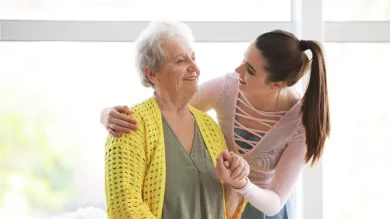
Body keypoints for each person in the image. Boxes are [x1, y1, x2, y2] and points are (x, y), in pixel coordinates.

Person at [102, 25, 330, 219]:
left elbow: (274, 201)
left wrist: (241, 183)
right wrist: (107, 114)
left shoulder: (301, 123)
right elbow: (170, 102)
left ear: (277, 85)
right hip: (227, 197)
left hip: (260, 209)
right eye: (244, 59)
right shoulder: (227, 87)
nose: (237, 70)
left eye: (250, 70)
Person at [104, 20, 249, 219]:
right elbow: (124, 208)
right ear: (152, 73)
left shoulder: (209, 126)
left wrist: (236, 181)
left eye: (193, 58)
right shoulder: (129, 126)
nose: (195, 68)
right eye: (181, 61)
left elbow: (225, 211)